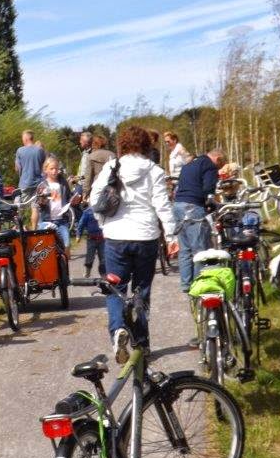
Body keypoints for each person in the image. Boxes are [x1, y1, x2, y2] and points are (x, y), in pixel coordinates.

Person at [89, 126, 177, 363]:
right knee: (141, 291)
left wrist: (104, 224)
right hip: (146, 237)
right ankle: (142, 343)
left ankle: (118, 329)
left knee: (115, 288)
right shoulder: (154, 171)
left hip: (116, 237)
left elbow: (94, 199)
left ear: (123, 145)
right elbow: (162, 206)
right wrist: (171, 236)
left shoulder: (112, 166)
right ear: (147, 145)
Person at [173, 148, 226, 295]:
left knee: (185, 249)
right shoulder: (209, 166)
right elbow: (208, 189)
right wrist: (211, 204)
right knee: (200, 249)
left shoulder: (190, 164)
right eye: (220, 166)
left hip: (178, 205)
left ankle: (186, 284)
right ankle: (199, 283)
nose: (219, 169)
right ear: (218, 159)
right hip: (193, 207)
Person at [35, 157, 78, 258]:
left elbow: (68, 196)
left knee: (67, 244)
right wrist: (42, 201)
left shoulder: (63, 183)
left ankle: (65, 267)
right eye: (51, 169)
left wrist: (73, 199)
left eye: (56, 169)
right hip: (47, 220)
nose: (54, 171)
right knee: (48, 248)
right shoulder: (42, 185)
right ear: (45, 170)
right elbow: (38, 204)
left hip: (62, 220)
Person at [16, 130, 46, 226]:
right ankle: (34, 230)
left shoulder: (20, 150)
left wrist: (21, 176)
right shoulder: (40, 150)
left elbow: (18, 168)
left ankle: (22, 228)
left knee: (22, 208)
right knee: (35, 207)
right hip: (37, 183)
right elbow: (44, 166)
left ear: (26, 138)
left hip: (24, 183)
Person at [82, 134, 115, 201]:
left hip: (97, 188)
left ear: (93, 144)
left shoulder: (91, 156)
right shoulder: (112, 155)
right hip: (111, 188)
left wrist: (85, 192)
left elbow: (88, 177)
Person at [76, 207, 106, 278]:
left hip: (103, 239)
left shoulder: (105, 210)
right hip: (91, 239)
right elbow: (81, 223)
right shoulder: (88, 212)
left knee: (103, 258)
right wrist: (78, 235)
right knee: (89, 257)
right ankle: (87, 272)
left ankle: (103, 275)